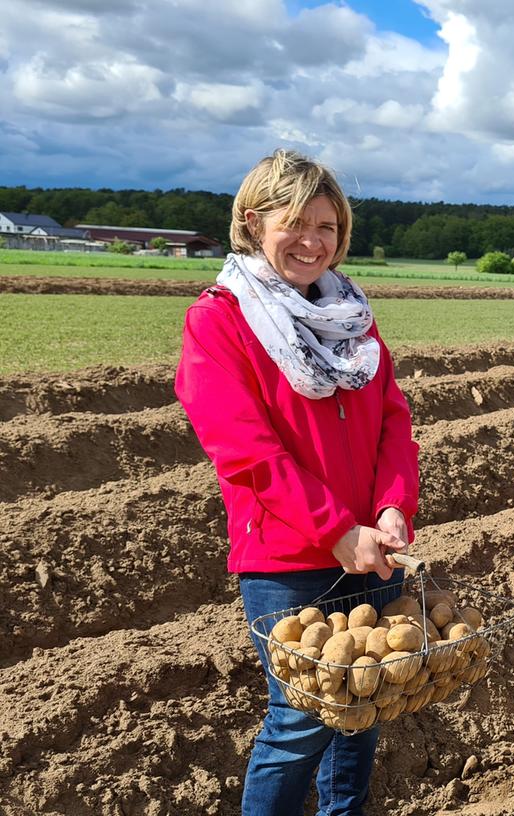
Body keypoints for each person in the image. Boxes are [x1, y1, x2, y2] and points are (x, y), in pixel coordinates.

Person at [175, 149, 420, 815]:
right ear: (254, 222)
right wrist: (334, 528)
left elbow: (393, 421)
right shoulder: (221, 319)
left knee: (361, 703)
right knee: (300, 722)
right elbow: (244, 449)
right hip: (287, 557)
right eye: (296, 223)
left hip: (374, 546)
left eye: (329, 227)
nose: (314, 242)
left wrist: (393, 507)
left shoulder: (352, 318)